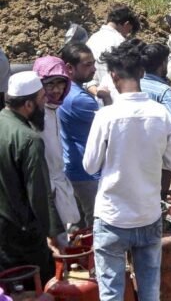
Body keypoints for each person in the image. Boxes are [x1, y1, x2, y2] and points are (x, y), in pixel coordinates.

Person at [83, 41, 171, 301]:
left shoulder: (106, 116)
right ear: (141, 72)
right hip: (148, 214)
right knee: (150, 291)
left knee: (112, 293)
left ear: (113, 76)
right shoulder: (160, 114)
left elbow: (90, 165)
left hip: (112, 217)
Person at [0, 71, 64, 283]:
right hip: (22, 236)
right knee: (36, 286)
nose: (45, 102)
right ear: (28, 104)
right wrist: (53, 234)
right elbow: (39, 194)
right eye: (42, 98)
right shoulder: (29, 139)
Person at [32, 57, 81, 228]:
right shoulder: (36, 114)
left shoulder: (53, 108)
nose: (57, 90)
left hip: (58, 182)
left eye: (61, 83)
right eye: (50, 84)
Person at [58, 43, 100, 228]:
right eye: (87, 65)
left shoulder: (63, 91)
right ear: (69, 68)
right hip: (87, 173)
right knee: (97, 224)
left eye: (93, 63)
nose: (94, 69)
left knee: (78, 225)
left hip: (71, 167)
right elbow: (109, 127)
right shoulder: (80, 99)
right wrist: (107, 98)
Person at [138, 43, 171, 199]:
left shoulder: (134, 84)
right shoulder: (163, 91)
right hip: (159, 158)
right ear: (163, 64)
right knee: (158, 200)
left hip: (136, 157)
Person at [86, 5, 141, 105]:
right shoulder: (120, 42)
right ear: (126, 24)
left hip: (93, 95)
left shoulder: (92, 39)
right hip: (114, 99)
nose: (127, 35)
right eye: (129, 31)